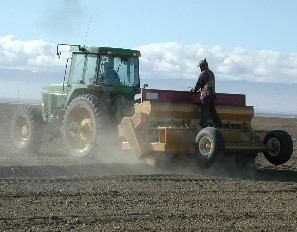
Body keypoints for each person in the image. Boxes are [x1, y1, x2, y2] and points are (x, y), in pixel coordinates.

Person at [191, 58, 222, 129]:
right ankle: (218, 123)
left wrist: (193, 90)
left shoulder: (203, 73)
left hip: (206, 94)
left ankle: (203, 123)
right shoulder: (211, 73)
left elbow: (198, 85)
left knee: (205, 109)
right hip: (212, 94)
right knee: (212, 110)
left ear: (201, 66)